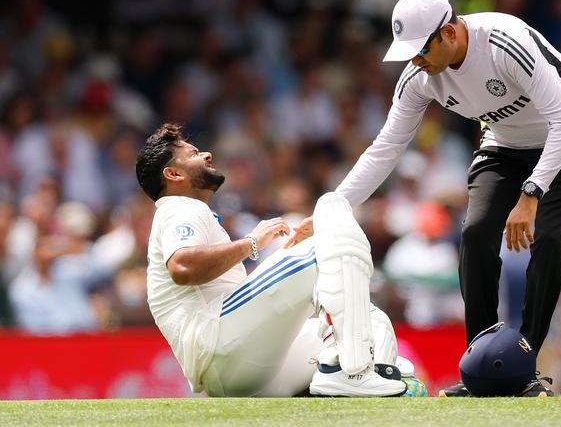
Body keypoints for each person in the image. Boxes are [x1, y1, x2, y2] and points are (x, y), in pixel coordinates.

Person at [286, 0, 561, 397]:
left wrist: (531, 195)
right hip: (505, 143)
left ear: (450, 33)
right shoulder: (419, 77)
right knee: (474, 234)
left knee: (547, 236)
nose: (415, 61)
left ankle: (524, 365)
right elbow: (385, 148)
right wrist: (332, 209)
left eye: (421, 50)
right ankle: (481, 366)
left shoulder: (505, 44)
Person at [135, 123, 413, 397]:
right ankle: (352, 373)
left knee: (372, 324)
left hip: (247, 371)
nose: (206, 154)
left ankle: (367, 375)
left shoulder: (188, 210)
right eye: (193, 153)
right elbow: (182, 267)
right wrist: (251, 243)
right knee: (331, 224)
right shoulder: (178, 207)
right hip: (221, 347)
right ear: (172, 173)